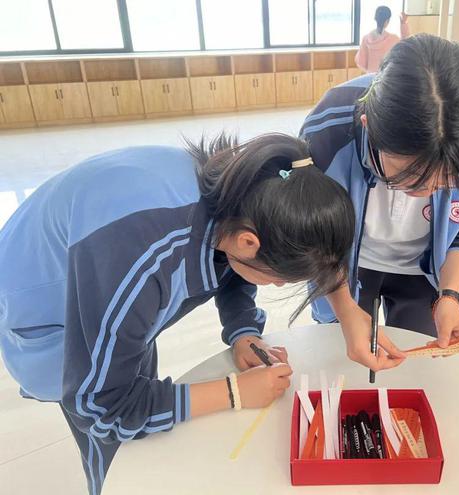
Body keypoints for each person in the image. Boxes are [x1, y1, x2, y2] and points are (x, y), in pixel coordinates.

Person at [0, 132, 355, 495]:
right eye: (280, 278)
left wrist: (243, 332)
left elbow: (232, 266)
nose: (277, 285)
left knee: (142, 419)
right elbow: (102, 408)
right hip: (46, 315)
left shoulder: (244, 197)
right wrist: (233, 392)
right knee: (117, 457)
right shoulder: (139, 253)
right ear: (249, 242)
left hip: (106, 286)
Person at [301, 34, 459, 372]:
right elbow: (313, 236)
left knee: (417, 368)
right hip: (342, 263)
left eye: (446, 180)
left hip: (426, 271)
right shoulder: (327, 129)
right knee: (344, 362)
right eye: (408, 175)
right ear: (370, 128)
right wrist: (344, 308)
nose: (425, 190)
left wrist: (450, 294)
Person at [355, 6, 409, 73]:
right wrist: (403, 24)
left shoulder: (366, 38)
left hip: (371, 77)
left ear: (375, 18)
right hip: (387, 76)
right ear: (387, 21)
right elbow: (406, 45)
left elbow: (361, 62)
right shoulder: (393, 39)